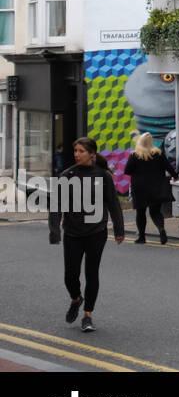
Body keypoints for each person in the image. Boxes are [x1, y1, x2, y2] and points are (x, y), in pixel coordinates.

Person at [49, 137, 124, 332]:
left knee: (92, 273)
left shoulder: (103, 176)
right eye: (75, 151)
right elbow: (57, 206)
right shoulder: (67, 175)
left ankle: (87, 315)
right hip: (73, 232)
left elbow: (114, 204)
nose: (77, 154)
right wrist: (54, 230)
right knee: (70, 275)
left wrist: (119, 229)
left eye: (81, 151)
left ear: (92, 154)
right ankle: (76, 298)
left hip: (96, 232)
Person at [124, 131, 177, 244]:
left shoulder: (135, 155)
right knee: (156, 212)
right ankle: (161, 229)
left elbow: (127, 170)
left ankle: (142, 237)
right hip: (156, 187)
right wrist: (175, 176)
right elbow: (168, 166)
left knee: (140, 212)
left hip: (140, 188)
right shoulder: (158, 153)